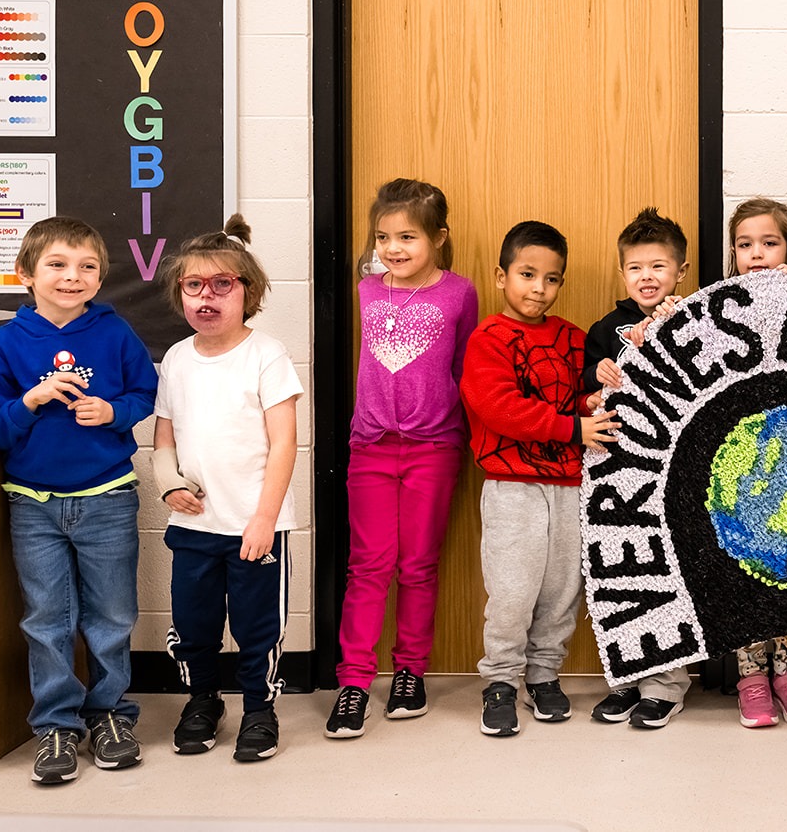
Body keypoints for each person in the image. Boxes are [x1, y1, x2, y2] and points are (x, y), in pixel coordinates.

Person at [0, 217, 157, 785]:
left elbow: (143, 394)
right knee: (46, 618)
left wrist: (114, 412)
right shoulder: (7, 342)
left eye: (86, 267)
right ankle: (55, 724)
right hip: (33, 505)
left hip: (106, 497)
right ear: (26, 275)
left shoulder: (114, 333)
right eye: (57, 264)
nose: (72, 276)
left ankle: (109, 714)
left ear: (100, 278)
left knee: (111, 615)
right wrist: (30, 400)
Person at [325, 179, 479, 739]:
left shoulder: (460, 293)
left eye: (408, 236)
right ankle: (354, 683)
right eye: (384, 236)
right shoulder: (367, 289)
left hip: (434, 447)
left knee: (417, 565)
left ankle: (410, 672)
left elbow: (463, 369)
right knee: (367, 566)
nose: (394, 247)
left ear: (438, 237)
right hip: (369, 445)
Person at [153, 215, 303, 763]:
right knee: (193, 625)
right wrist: (169, 487)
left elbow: (284, 444)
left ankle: (260, 709)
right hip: (193, 527)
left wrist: (263, 518)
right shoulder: (175, 359)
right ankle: (202, 701)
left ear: (248, 292)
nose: (207, 297)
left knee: (257, 627)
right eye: (195, 285)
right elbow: (162, 438)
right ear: (181, 294)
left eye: (223, 284)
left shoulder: (266, 355)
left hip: (254, 525)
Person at [461, 221, 618, 738]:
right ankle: (501, 681)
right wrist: (574, 425)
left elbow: (569, 403)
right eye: (527, 275)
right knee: (512, 589)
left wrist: (590, 405)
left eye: (552, 279)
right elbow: (499, 408)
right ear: (501, 275)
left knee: (561, 588)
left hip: (572, 484)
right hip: (512, 485)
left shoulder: (573, 338)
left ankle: (544, 674)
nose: (538, 288)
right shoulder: (488, 338)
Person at [715, 197, 787, 729]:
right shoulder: (715, 306)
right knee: (744, 564)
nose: (756, 254)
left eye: (769, 243)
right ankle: (750, 675)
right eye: (744, 244)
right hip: (741, 457)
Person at [582, 207, 694, 730]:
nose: (646, 277)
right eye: (635, 268)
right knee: (623, 573)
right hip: (618, 470)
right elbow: (584, 396)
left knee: (668, 572)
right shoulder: (605, 328)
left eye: (658, 266)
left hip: (674, 468)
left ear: (681, 271)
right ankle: (628, 673)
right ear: (621, 273)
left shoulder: (696, 316)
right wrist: (597, 381)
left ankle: (667, 682)